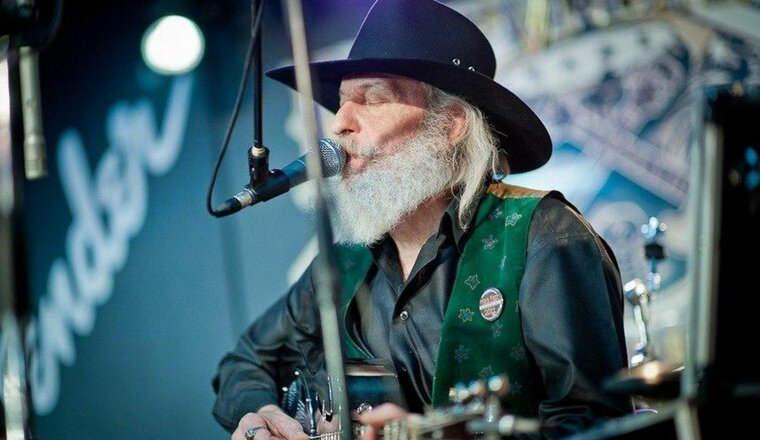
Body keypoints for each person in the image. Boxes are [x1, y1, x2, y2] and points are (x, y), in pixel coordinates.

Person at [212, 0, 632, 438]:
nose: (340, 124)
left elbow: (593, 423)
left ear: (450, 124)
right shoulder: (343, 265)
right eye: (341, 103)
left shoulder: (543, 236)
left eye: (373, 98)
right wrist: (261, 417)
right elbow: (243, 364)